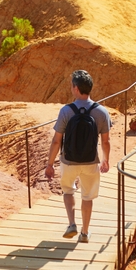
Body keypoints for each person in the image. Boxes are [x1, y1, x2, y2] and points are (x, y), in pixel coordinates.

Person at [44, 70, 112, 244]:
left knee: (68, 190)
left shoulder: (66, 111)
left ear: (75, 88)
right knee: (87, 196)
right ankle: (85, 233)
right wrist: (106, 160)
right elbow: (106, 141)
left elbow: (56, 141)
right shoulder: (101, 112)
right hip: (90, 161)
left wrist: (50, 164)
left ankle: (72, 223)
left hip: (69, 161)